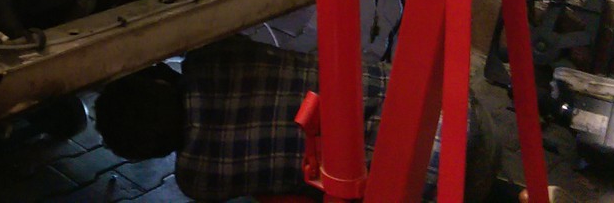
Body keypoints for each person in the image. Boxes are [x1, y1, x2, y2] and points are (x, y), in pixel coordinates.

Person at [95, 36, 500, 202]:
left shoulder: (197, 179)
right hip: (462, 112)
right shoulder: (209, 58)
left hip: (444, 189)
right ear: (159, 81)